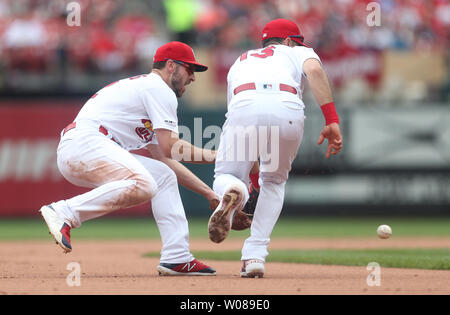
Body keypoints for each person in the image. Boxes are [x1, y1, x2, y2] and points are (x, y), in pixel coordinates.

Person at [39, 41, 219, 276]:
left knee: (162, 176)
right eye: (190, 69)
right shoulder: (158, 89)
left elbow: (164, 158)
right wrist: (219, 156)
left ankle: (177, 257)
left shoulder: (149, 90)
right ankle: (65, 211)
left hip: (86, 147)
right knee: (145, 184)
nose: (193, 77)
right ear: (172, 66)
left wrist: (209, 193)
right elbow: (172, 146)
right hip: (87, 143)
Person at [207, 19, 343, 278]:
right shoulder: (296, 51)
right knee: (274, 182)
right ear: (290, 41)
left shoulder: (241, 59)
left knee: (227, 175)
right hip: (287, 106)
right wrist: (332, 119)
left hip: (245, 103)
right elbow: (314, 72)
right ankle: (254, 256)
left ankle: (234, 190)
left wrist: (250, 178)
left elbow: (240, 114)